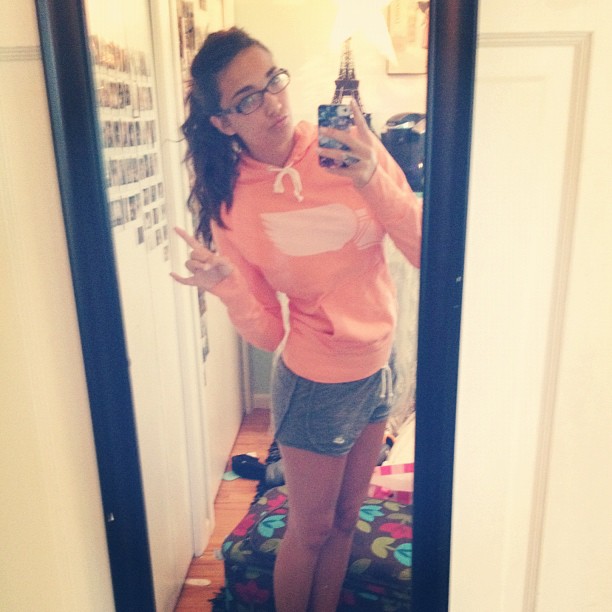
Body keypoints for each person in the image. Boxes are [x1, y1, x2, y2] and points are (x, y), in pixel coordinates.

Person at [172, 27, 422, 612]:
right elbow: (269, 333)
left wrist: (371, 178)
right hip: (315, 385)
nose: (273, 104)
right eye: (247, 99)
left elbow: (424, 250)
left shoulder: (349, 146)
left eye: (273, 81)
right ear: (222, 122)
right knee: (311, 530)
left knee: (345, 521)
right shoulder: (233, 203)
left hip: (378, 367)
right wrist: (229, 289)